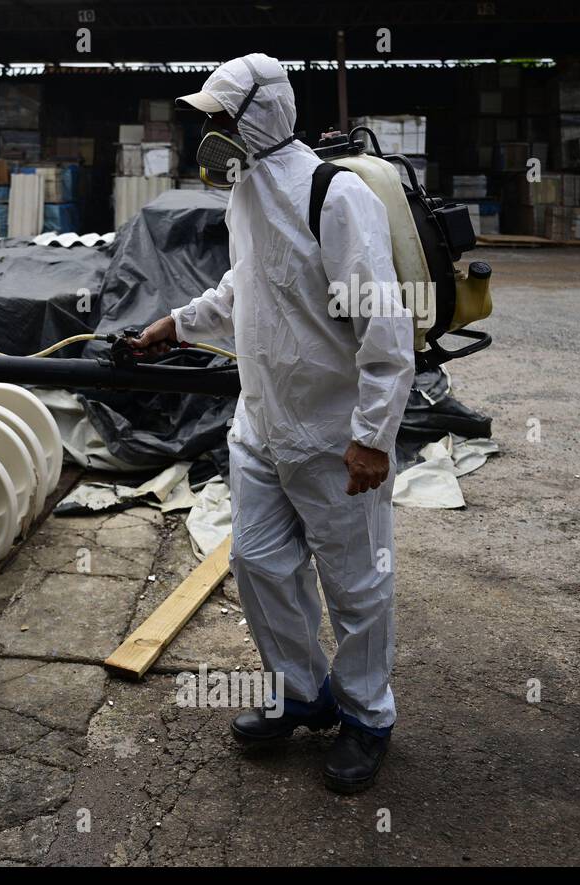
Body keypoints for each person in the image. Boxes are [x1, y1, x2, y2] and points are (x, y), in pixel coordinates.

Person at [134, 53, 415, 793]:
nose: (213, 133)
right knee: (258, 564)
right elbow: (244, 287)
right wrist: (177, 322)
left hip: (332, 436)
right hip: (259, 426)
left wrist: (373, 436)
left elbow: (386, 327)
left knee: (356, 585)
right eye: (209, 121)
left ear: (263, 113)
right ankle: (300, 692)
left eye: (222, 118)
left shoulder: (336, 195)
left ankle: (367, 718)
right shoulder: (246, 191)